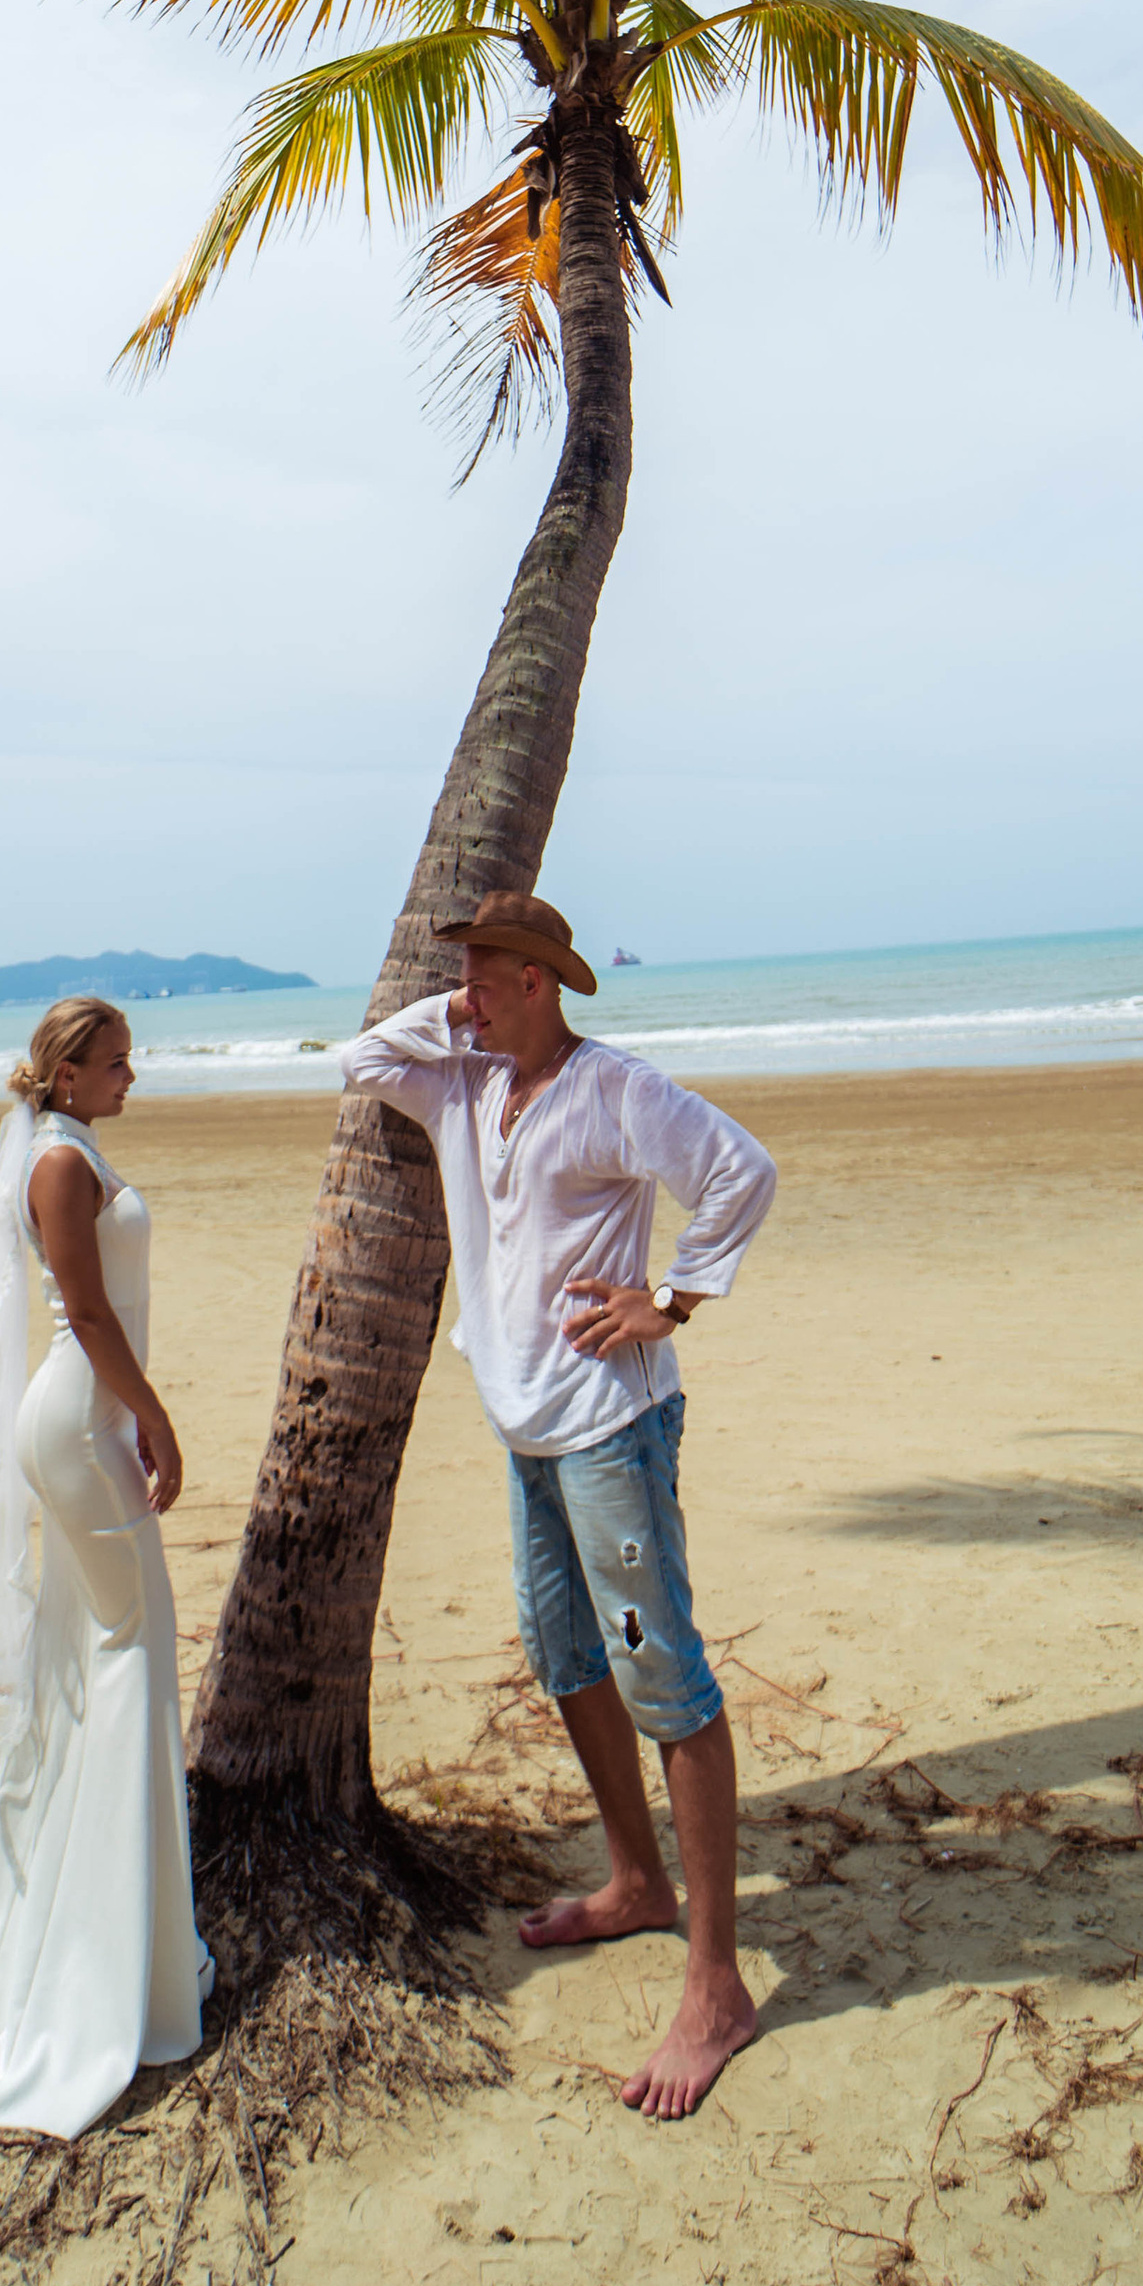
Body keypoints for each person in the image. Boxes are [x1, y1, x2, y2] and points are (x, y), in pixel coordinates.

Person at [342, 892, 778, 2122]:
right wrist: (457, 1014)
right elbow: (364, 1056)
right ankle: (636, 1880)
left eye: (483, 972)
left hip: (607, 1429)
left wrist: (673, 1300)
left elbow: (742, 1171)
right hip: (523, 1424)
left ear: (539, 979)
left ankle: (714, 1984)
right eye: (462, 975)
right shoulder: (464, 1087)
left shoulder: (613, 1091)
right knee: (562, 1652)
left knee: (667, 1682)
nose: (463, 993)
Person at [0, 996, 212, 2138]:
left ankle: (131, 1942)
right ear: (66, 1072)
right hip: (80, 1422)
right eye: (115, 1063)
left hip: (94, 1420)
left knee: (116, 1661)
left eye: (129, 1061)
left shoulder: (78, 1149)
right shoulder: (57, 1164)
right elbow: (87, 1315)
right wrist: (157, 1418)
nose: (131, 1077)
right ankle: (115, 1969)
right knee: (134, 1654)